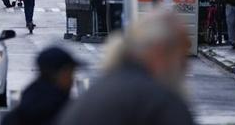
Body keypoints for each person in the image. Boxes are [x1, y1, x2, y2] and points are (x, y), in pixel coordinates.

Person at [55, 10, 195, 125]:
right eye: (182, 56)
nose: (186, 66)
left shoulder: (102, 89)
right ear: (161, 50)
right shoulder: (160, 103)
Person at [2, 46, 79, 125]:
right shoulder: (56, 106)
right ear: (56, 74)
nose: (72, 79)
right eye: (70, 73)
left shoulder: (31, 94)